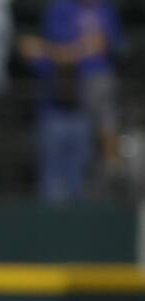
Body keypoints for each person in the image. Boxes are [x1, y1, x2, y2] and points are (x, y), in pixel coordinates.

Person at [21, 0, 123, 202]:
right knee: (52, 182)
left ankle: (113, 165)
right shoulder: (61, 8)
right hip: (53, 107)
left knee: (80, 179)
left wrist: (64, 52)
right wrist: (76, 50)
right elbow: (30, 48)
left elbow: (104, 44)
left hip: (84, 105)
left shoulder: (105, 9)